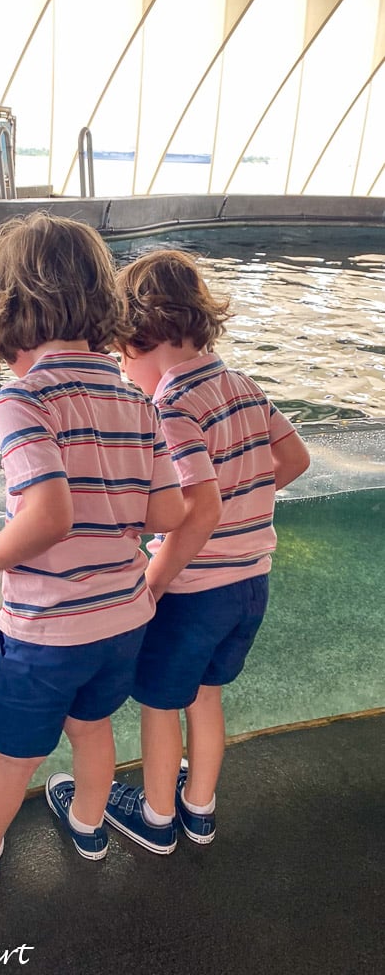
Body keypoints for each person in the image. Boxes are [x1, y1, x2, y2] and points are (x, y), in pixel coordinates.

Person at [0, 212, 186, 895]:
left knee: (13, 756)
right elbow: (165, 512)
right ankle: (87, 825)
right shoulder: (132, 397)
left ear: (8, 306)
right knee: (91, 731)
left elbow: (48, 516)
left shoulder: (23, 398)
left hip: (48, 628)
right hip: (122, 617)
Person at [104, 248, 311, 854]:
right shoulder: (243, 385)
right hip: (252, 583)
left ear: (144, 335)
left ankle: (158, 816)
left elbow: (199, 506)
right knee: (208, 698)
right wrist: (249, 500)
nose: (122, 369)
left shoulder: (171, 405)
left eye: (121, 355)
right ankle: (201, 809)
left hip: (195, 591)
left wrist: (155, 580)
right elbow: (295, 459)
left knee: (160, 705)